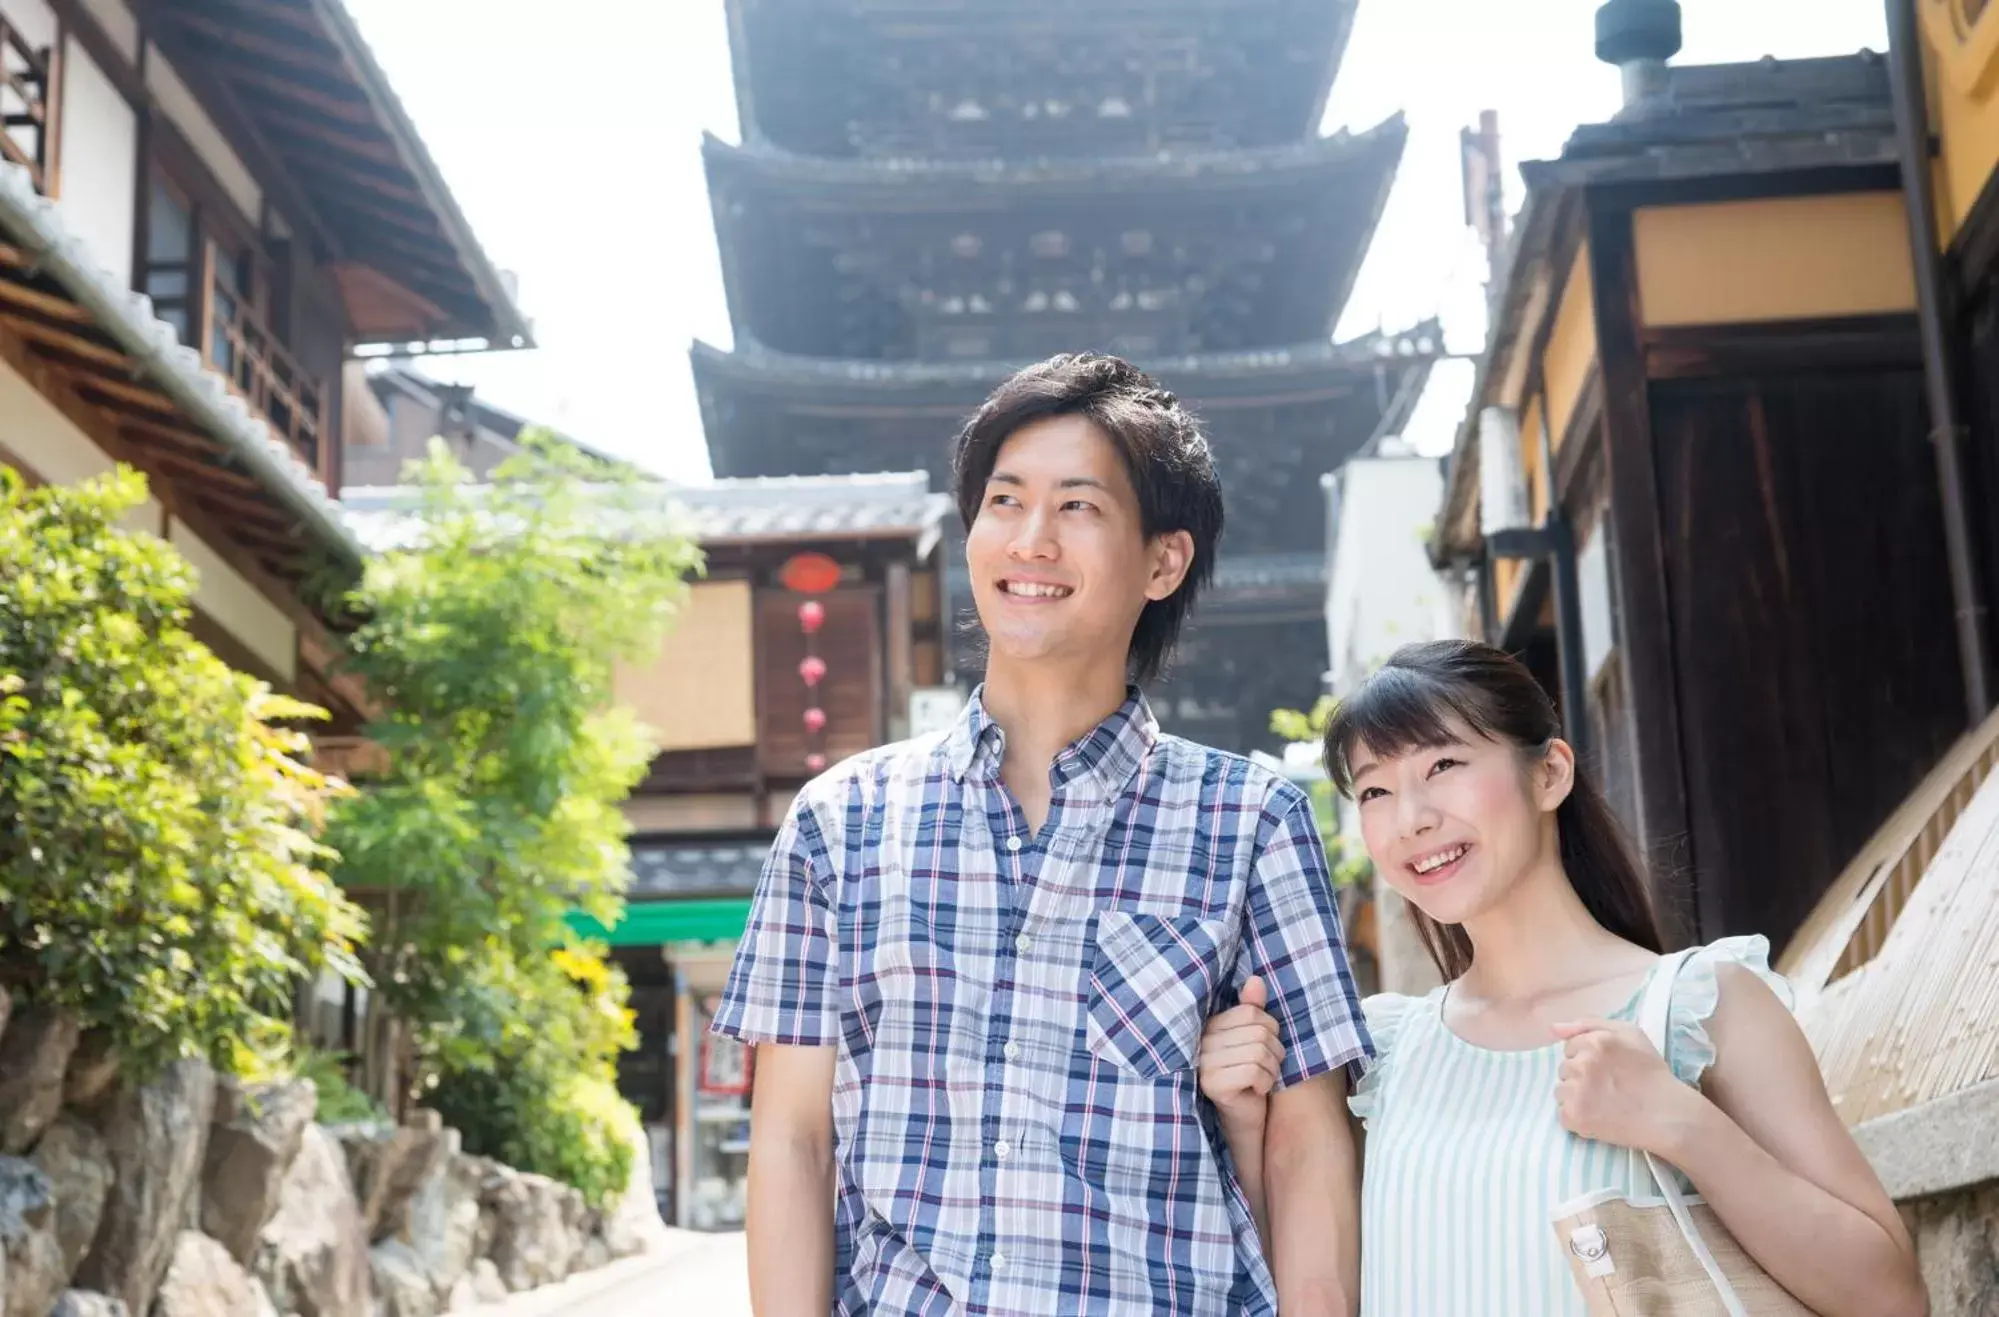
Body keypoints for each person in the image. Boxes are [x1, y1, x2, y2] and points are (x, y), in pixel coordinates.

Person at [712, 353, 1373, 1316]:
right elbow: (792, 1141)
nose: (1029, 540)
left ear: (1163, 559)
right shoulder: (841, 823)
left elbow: (1310, 1138)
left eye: (1078, 507)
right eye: (1003, 500)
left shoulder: (1249, 822)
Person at [1199, 640, 1928, 1317]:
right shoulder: (1384, 1052)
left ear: (1548, 772)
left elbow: (1890, 1293)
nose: (1410, 818)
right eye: (1374, 792)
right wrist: (1245, 1123)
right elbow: (1318, 1290)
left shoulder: (1696, 1005)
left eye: (1442, 766)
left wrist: (1679, 1122)